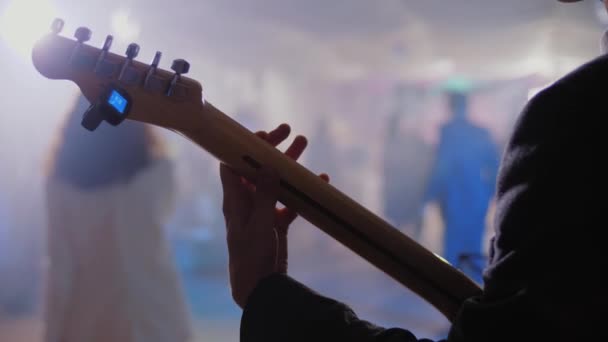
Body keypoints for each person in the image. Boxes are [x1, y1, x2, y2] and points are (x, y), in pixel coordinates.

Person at [218, 0, 608, 341]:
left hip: (460, 203)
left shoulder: (575, 116)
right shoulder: (543, 122)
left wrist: (266, 294)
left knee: (469, 259)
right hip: (469, 203)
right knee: (473, 266)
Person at [43, 95, 192, 342]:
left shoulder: (59, 186)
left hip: (89, 321)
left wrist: (52, 334)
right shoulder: (159, 173)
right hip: (157, 315)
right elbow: (167, 211)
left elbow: (60, 268)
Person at [422, 91, 500, 283]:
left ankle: (451, 285)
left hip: (454, 193)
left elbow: (442, 165)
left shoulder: (447, 131)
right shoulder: (481, 132)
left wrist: (429, 194)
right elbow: (494, 164)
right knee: (473, 240)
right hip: (476, 193)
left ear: (450, 106)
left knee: (453, 242)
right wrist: (491, 192)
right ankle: (474, 286)